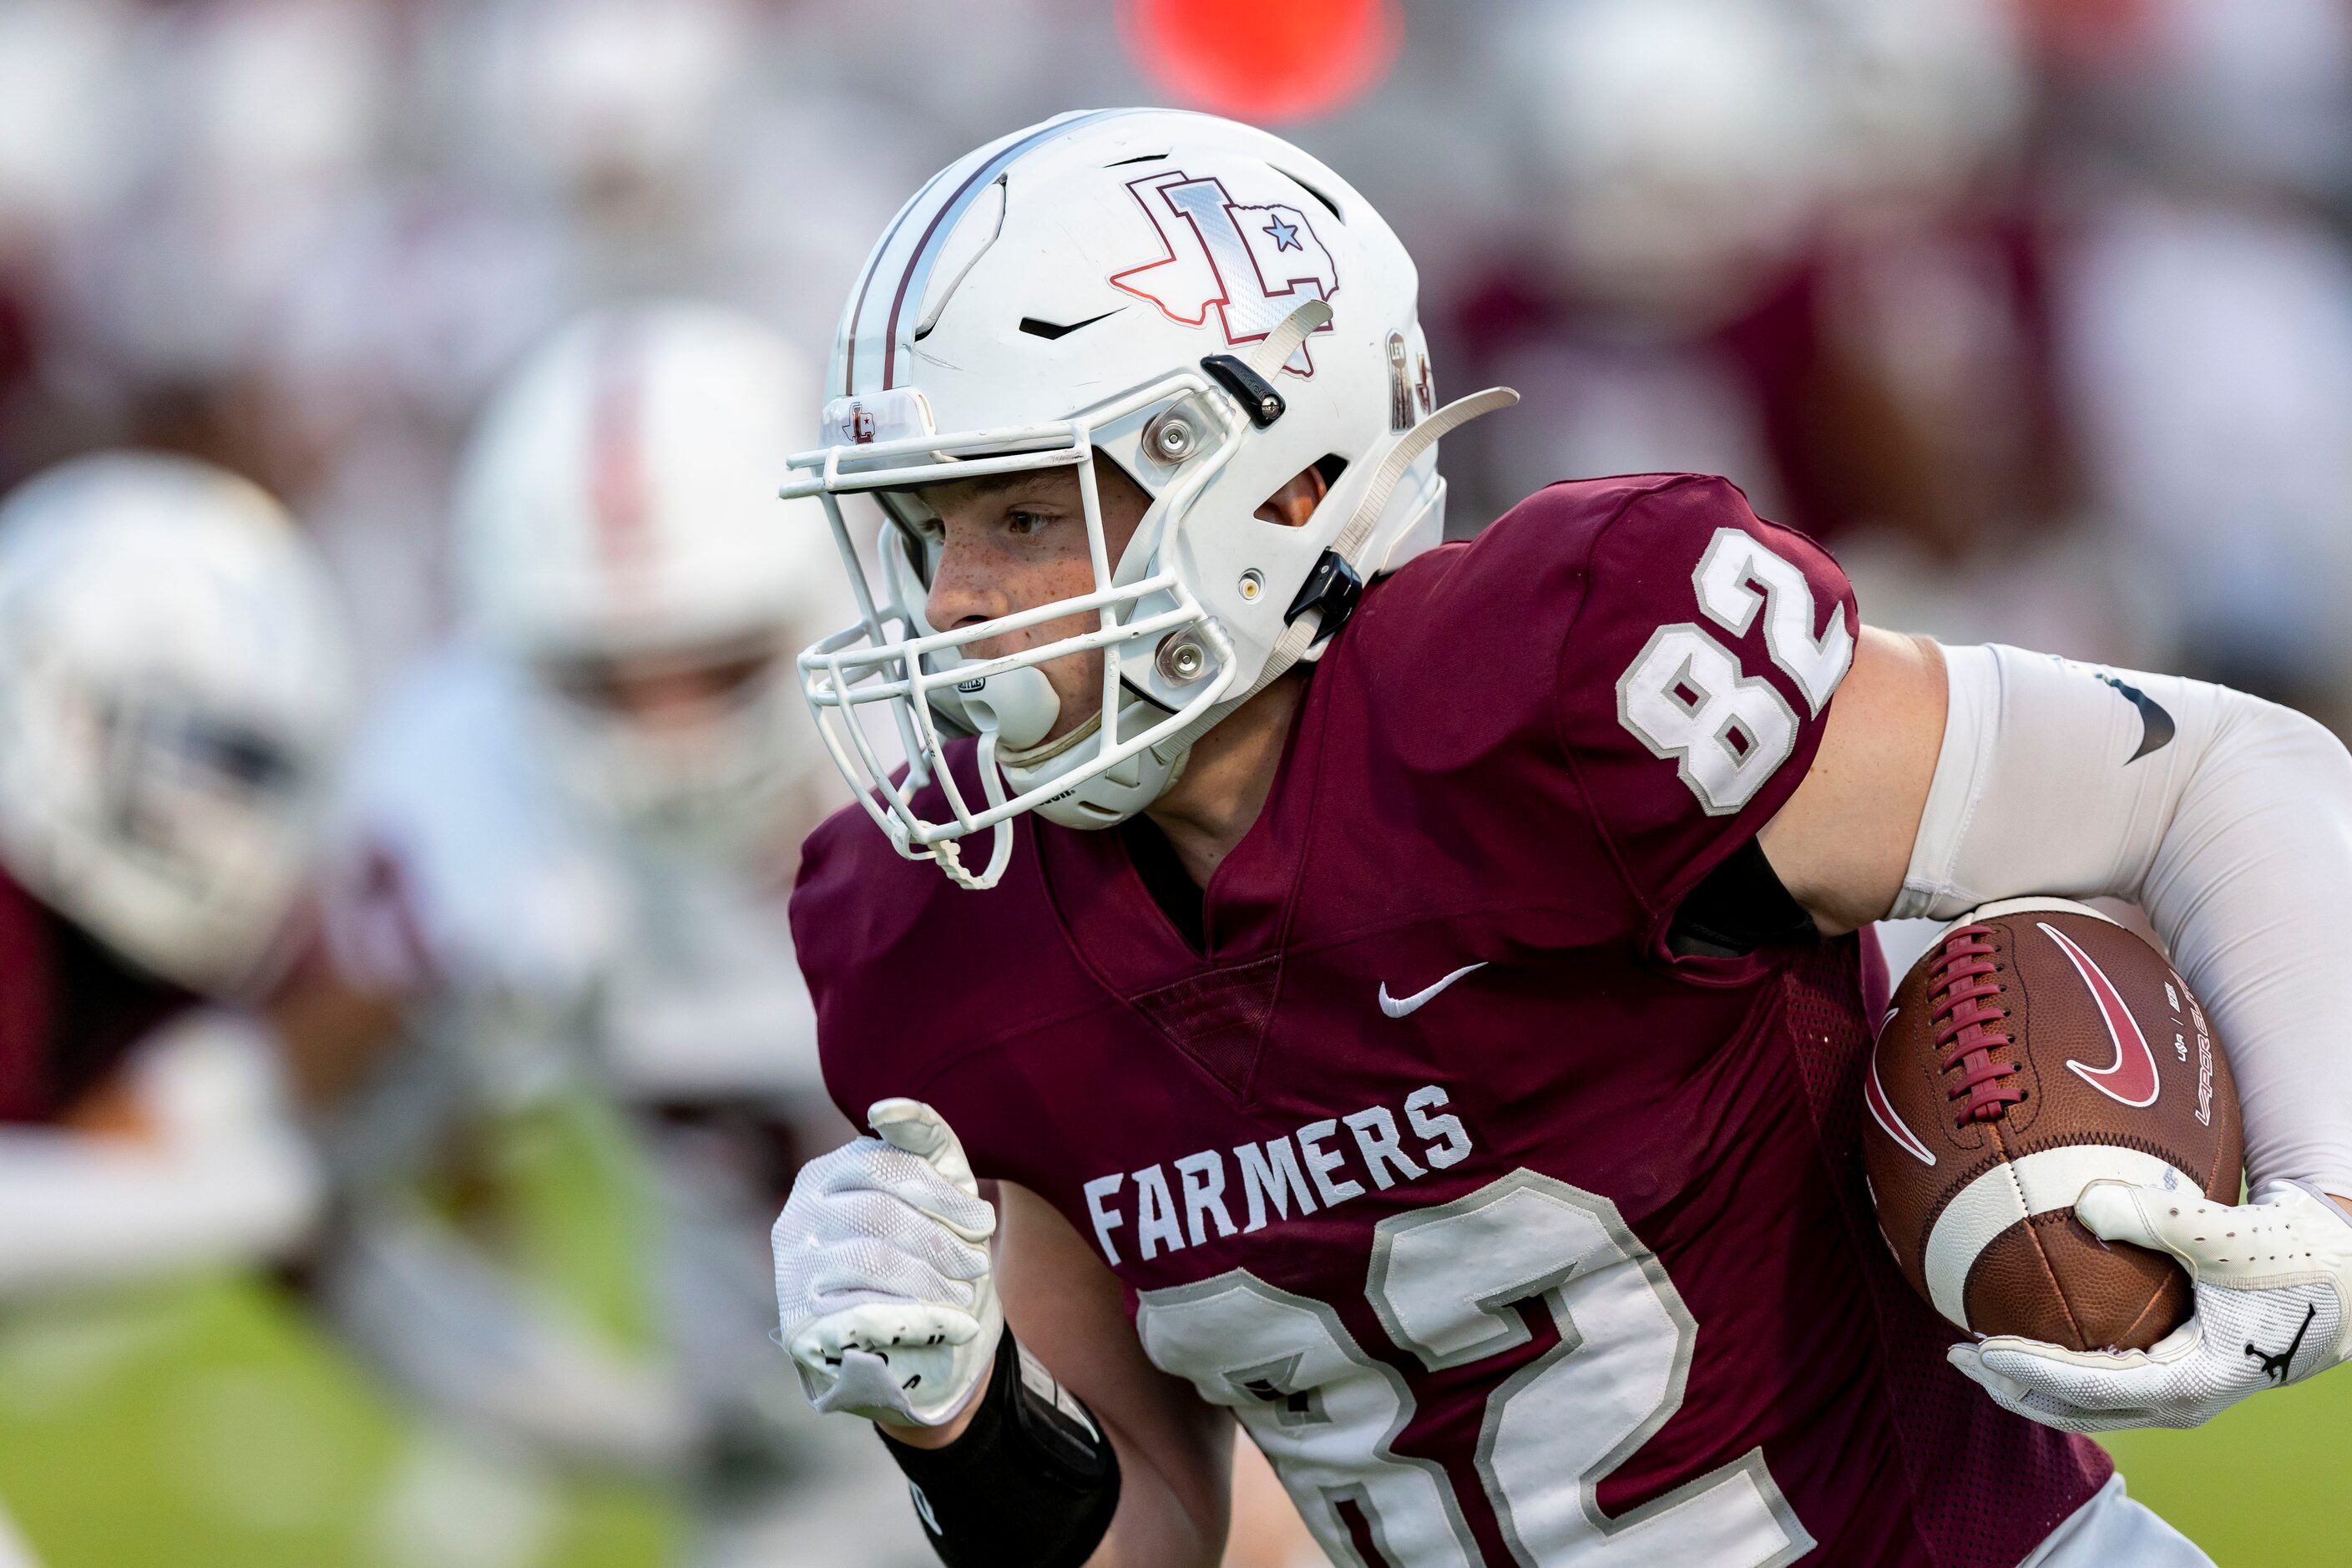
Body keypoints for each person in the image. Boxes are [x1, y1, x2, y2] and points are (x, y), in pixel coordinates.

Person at [768, 109, 2352, 1567]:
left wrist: (2324, 1200)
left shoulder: (1560, 687)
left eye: (1024, 517)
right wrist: (963, 1418)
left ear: (1281, 474)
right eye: (925, 531)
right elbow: (1166, 1531)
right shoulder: (925, 936)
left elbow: (2217, 769)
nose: (954, 603)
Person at [285, 299, 926, 1560]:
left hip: (1135, 1396)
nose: (666, 729)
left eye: (718, 658)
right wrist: (587, 1411)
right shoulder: (466, 790)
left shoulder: (981, 722)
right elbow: (306, 1163)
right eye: (603, 673)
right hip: (789, 1468)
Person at [0, 453, 371, 1564]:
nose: (220, 821)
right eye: (196, 759)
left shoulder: (155, 937)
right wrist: (255, 1190)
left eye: (253, 773)